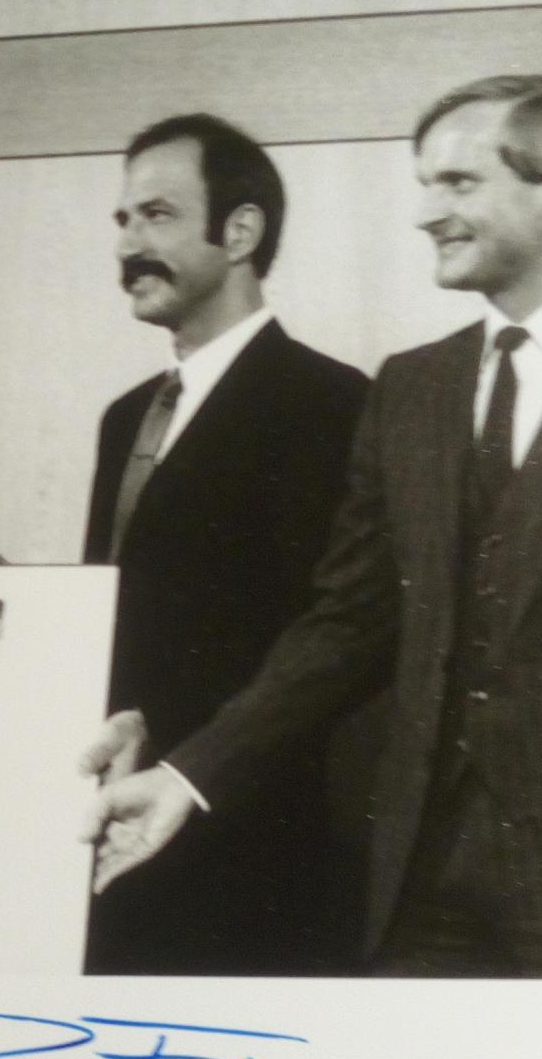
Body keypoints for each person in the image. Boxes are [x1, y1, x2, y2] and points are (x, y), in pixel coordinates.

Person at [85, 74, 542, 980]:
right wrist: (191, 776)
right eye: (426, 185)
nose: (426, 213)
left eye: (458, 182)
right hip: (422, 882)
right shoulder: (413, 388)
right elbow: (346, 622)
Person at [81, 115, 367, 974]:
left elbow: (326, 635)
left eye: (157, 215)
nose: (129, 245)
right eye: (123, 220)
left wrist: (181, 754)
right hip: (120, 829)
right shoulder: (124, 417)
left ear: (240, 232)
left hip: (254, 847)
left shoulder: (333, 405)